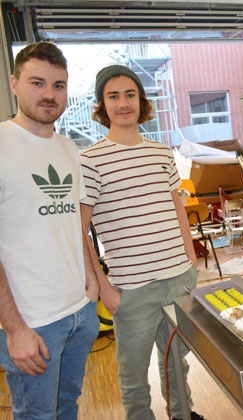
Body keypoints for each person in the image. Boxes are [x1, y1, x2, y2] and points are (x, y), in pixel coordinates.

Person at [80, 65, 203, 420]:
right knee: (134, 377)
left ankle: (183, 416)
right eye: (113, 96)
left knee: (177, 363)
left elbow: (177, 209)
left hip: (178, 280)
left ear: (141, 100)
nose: (123, 103)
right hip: (131, 290)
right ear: (103, 105)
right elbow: (80, 229)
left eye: (130, 94)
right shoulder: (90, 161)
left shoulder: (162, 153)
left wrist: (190, 261)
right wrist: (104, 287)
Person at [0, 41, 100, 419]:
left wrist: (91, 285)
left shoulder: (68, 147)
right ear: (14, 84)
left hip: (79, 311)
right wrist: (13, 329)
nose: (48, 94)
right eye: (37, 82)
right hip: (32, 324)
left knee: (67, 406)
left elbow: (75, 223)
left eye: (58, 85)